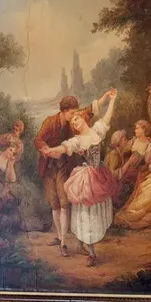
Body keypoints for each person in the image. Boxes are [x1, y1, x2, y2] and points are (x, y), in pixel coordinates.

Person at [39, 89, 119, 266]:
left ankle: (82, 244)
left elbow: (107, 118)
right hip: (86, 179)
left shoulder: (97, 130)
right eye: (73, 121)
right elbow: (63, 148)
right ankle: (91, 253)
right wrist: (50, 150)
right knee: (86, 214)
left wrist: (111, 100)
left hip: (100, 177)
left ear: (84, 118)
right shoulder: (76, 141)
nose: (75, 122)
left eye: (77, 119)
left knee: (95, 212)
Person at [34, 95, 92, 254]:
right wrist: (45, 148)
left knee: (65, 203)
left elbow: (79, 136)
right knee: (54, 204)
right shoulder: (50, 122)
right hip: (48, 167)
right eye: (72, 113)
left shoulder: (71, 125)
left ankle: (64, 244)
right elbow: (38, 140)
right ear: (64, 111)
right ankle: (60, 236)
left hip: (65, 166)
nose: (74, 116)